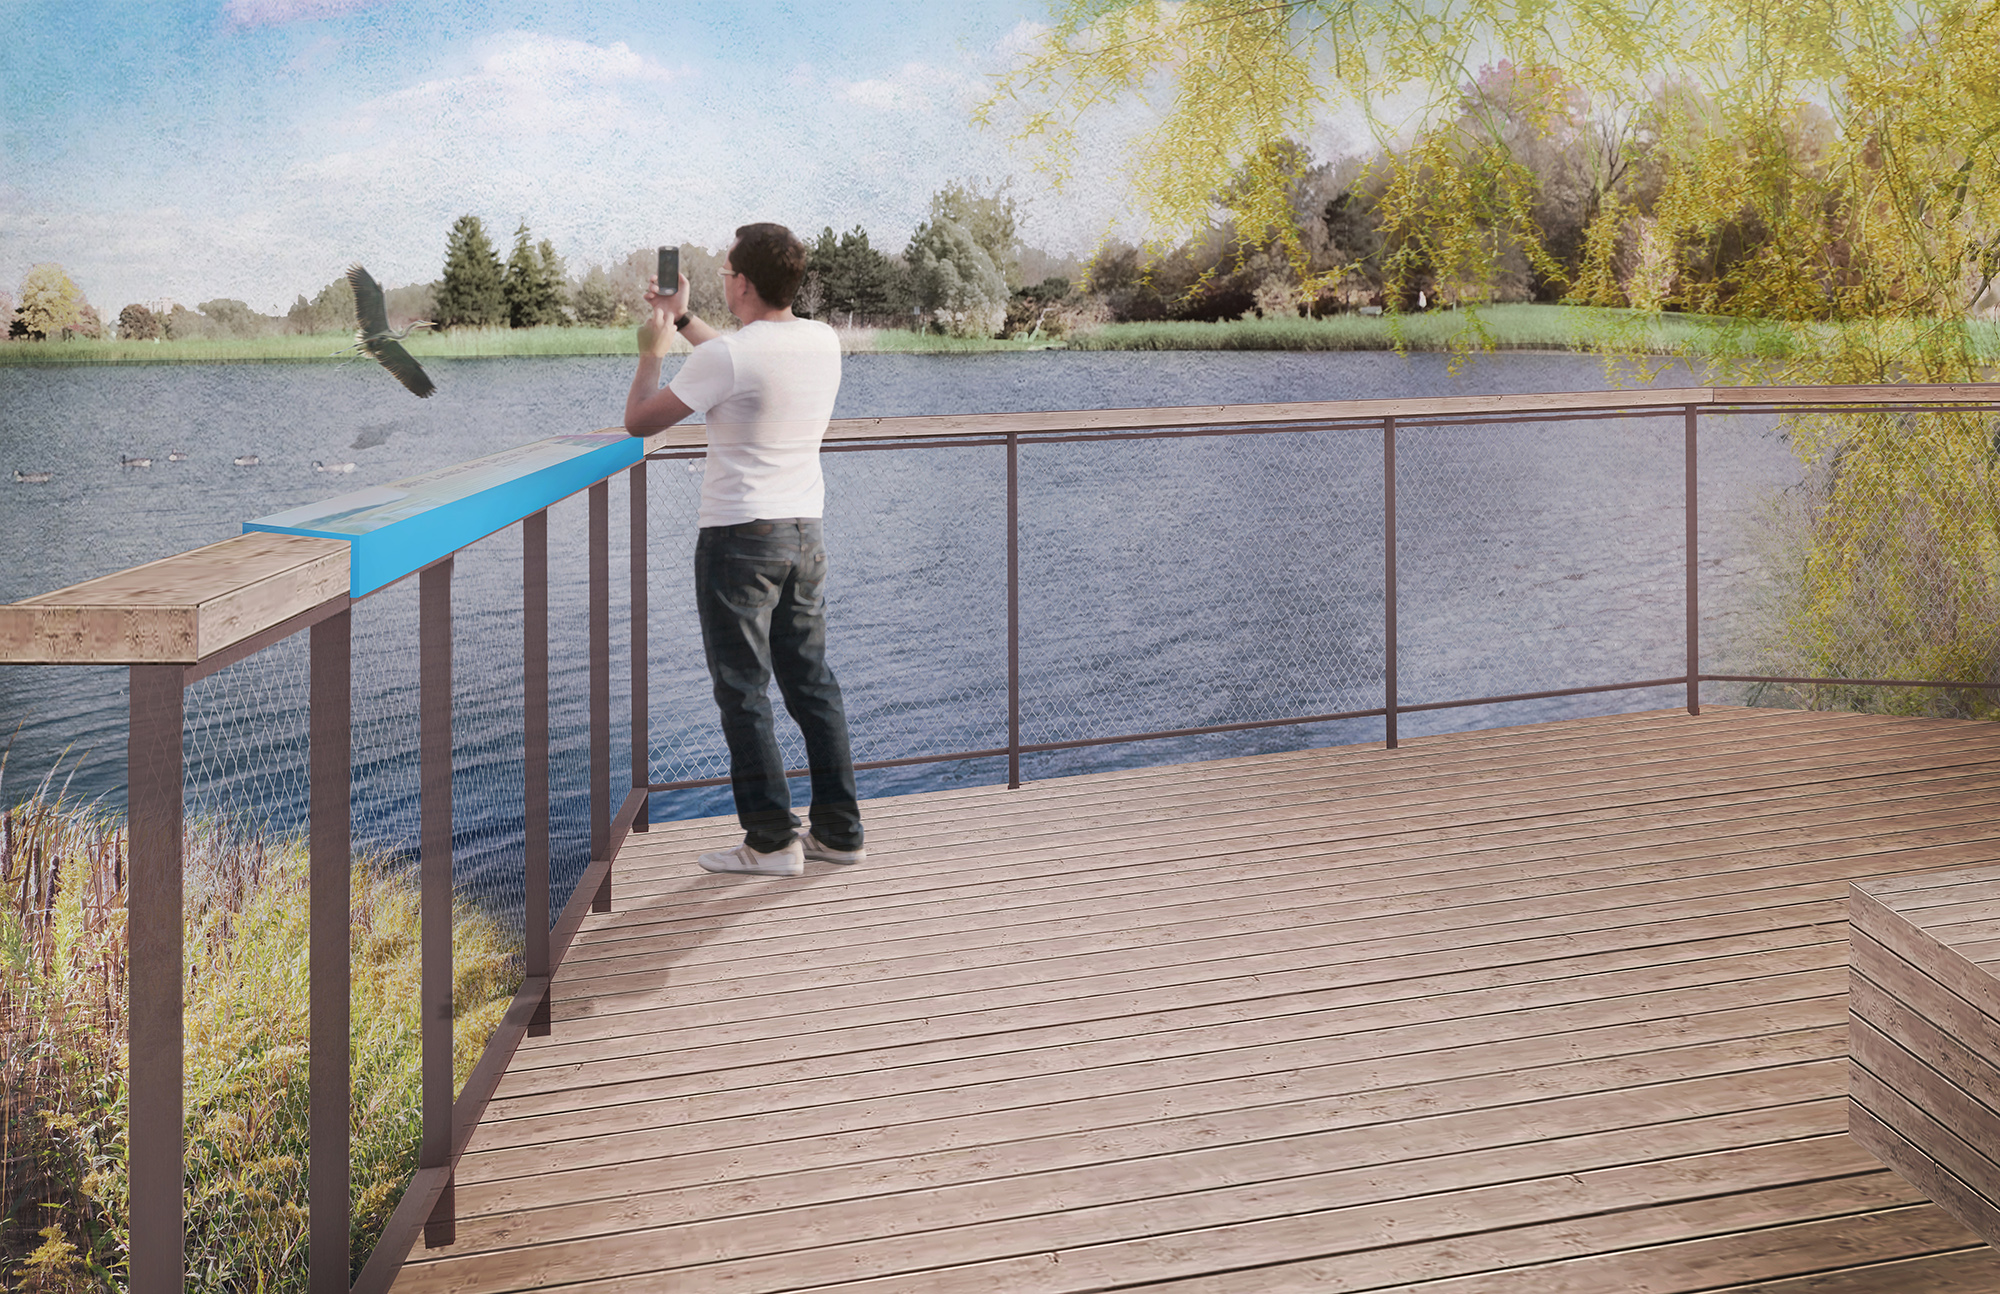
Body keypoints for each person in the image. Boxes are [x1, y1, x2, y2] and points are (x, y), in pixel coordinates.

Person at [624, 223, 865, 878]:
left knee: (743, 689)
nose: (726, 278)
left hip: (739, 540)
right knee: (811, 681)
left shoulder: (728, 357)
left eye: (729, 271)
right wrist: (687, 320)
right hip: (803, 535)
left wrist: (654, 343)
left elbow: (639, 419)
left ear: (746, 283)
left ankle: (770, 841)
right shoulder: (820, 339)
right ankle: (840, 833)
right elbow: (738, 362)